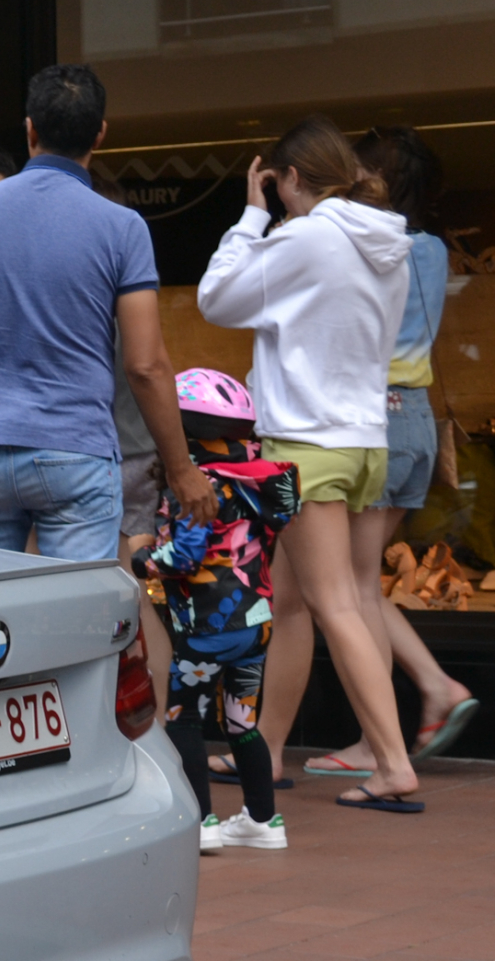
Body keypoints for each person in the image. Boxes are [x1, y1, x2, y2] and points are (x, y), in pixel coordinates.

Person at [195, 116, 421, 811]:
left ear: (291, 178)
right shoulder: (389, 241)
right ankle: (267, 745)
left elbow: (217, 299)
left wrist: (248, 217)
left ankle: (392, 763)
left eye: (280, 187)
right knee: (304, 600)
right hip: (363, 440)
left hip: (304, 443)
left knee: (332, 605)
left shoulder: (306, 236)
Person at [0, 65, 215, 559]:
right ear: (101, 134)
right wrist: (180, 468)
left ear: (29, 129)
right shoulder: (122, 227)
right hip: (76, 451)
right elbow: (145, 365)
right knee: (77, 626)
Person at [272, 127, 477, 778]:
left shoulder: (362, 247)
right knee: (347, 586)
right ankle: (389, 722)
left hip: (369, 418)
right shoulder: (432, 251)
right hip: (414, 421)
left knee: (348, 589)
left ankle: (413, 705)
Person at [133, 370, 299, 853]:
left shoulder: (196, 485)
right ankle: (263, 822)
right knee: (241, 721)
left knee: (184, 717)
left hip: (207, 627)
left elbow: (185, 556)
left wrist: (144, 560)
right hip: (255, 623)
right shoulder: (255, 477)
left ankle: (200, 822)